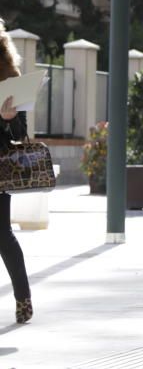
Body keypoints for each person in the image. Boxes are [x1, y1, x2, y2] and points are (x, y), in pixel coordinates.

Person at [0, 21, 32, 323]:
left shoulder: (11, 78)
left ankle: (23, 298)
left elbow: (21, 132)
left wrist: (8, 119)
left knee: (2, 236)